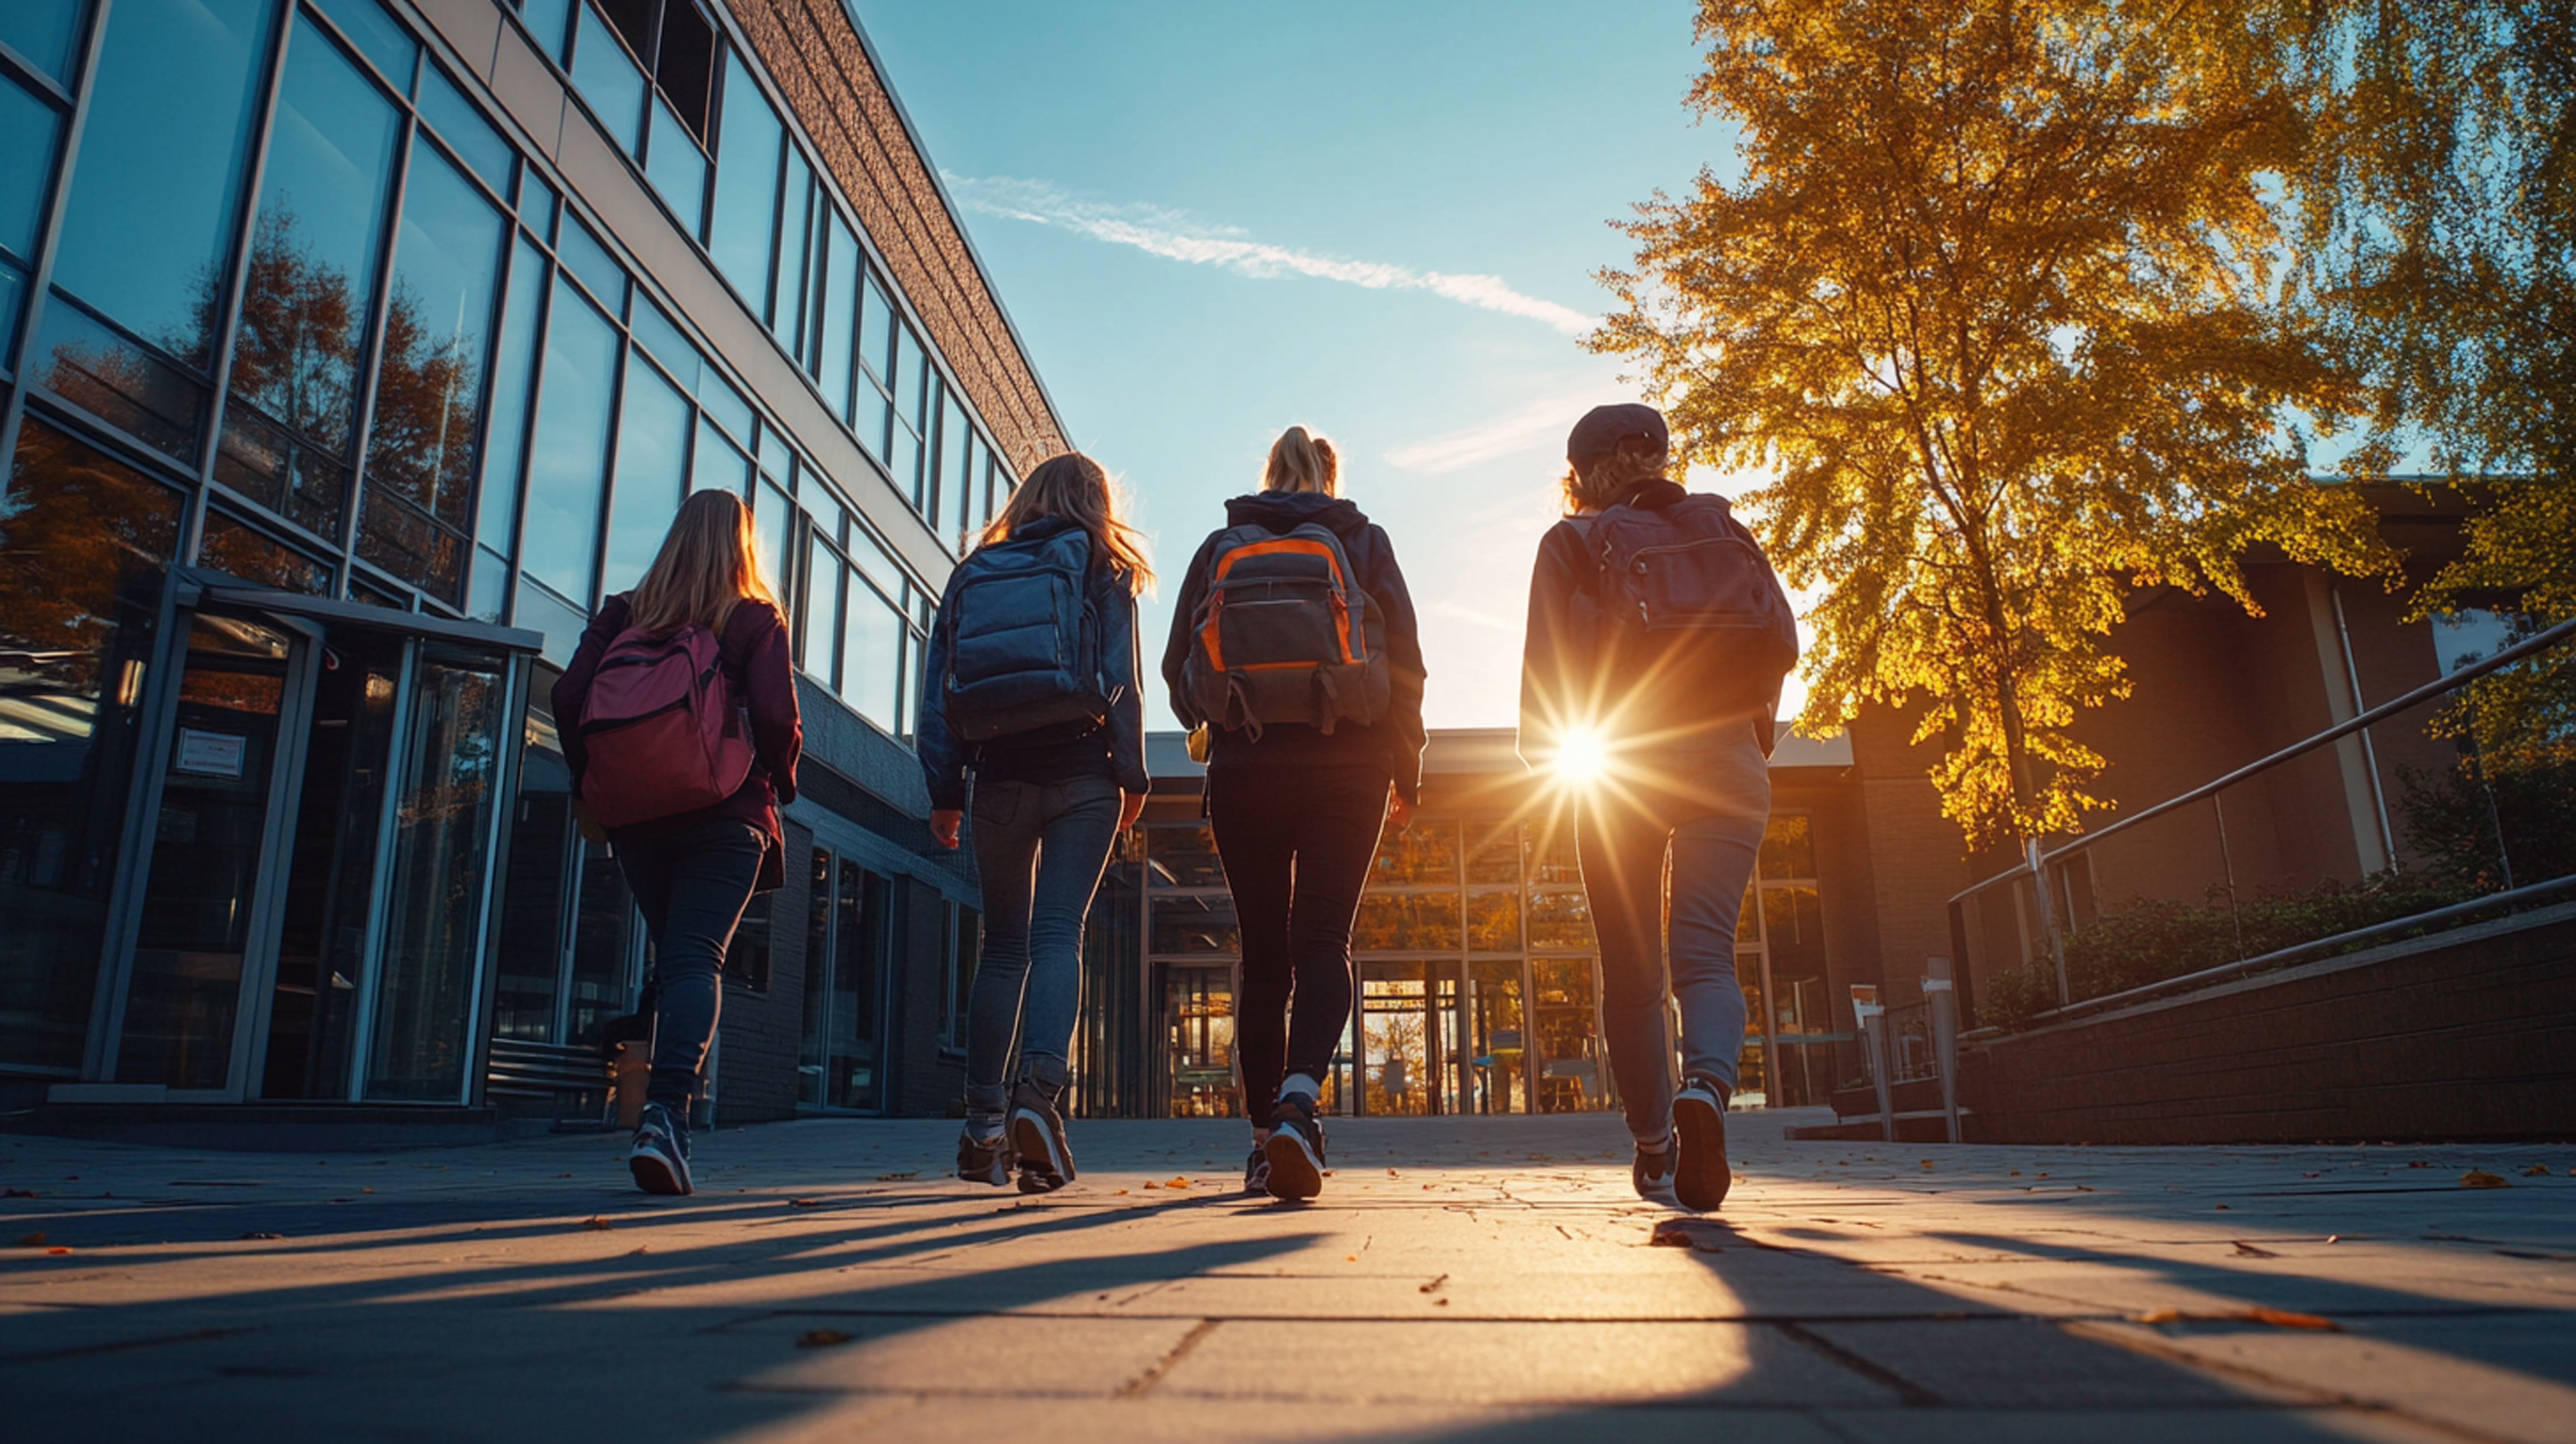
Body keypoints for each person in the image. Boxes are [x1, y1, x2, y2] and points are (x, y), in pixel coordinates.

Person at [1517, 403, 1791, 1213]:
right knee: (1707, 957)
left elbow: (1546, 665)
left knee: (1635, 977)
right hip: (1727, 759)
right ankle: (1706, 1087)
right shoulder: (1723, 529)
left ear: (1578, 474)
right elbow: (1777, 638)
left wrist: (1547, 764)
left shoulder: (1570, 541)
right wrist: (1748, 739)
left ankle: (1655, 1146)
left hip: (1618, 768)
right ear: (1663, 458)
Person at [1163, 425, 1426, 1201]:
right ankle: (1299, 1105)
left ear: (1268, 476)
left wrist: (1221, 717)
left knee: (1264, 960)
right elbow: (1407, 659)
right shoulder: (1364, 540)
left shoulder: (1220, 544)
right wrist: (1406, 768)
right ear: (1330, 478)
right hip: (1350, 765)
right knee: (1324, 944)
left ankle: (1259, 1140)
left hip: (1247, 766)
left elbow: (1182, 666)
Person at [556, 488, 802, 1197]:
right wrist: (779, 783)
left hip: (637, 818)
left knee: (675, 959)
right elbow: (779, 718)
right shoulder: (752, 617)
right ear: (742, 545)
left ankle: (660, 1115)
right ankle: (666, 1117)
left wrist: (592, 782)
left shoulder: (623, 613)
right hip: (727, 811)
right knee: (698, 960)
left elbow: (569, 699)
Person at [918, 452, 1153, 1192]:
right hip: (1083, 773)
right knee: (1059, 937)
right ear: (1095, 502)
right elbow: (1124, 679)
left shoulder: (975, 571)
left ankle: (982, 1126)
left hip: (999, 779)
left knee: (1003, 948)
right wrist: (1132, 774)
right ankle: (1039, 1101)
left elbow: (937, 687)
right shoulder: (1103, 567)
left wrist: (944, 787)